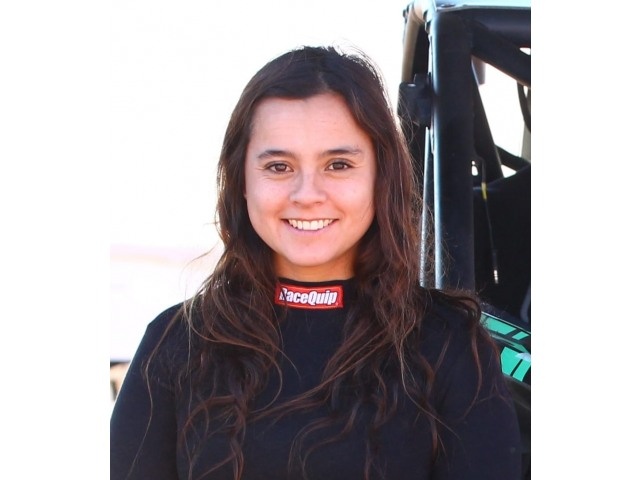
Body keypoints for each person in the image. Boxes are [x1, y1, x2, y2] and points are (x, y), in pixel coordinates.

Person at [110, 45, 522, 480]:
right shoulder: (175, 343)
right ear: (242, 181)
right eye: (279, 166)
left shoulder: (450, 346)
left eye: (338, 164)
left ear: (381, 177)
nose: (307, 194)